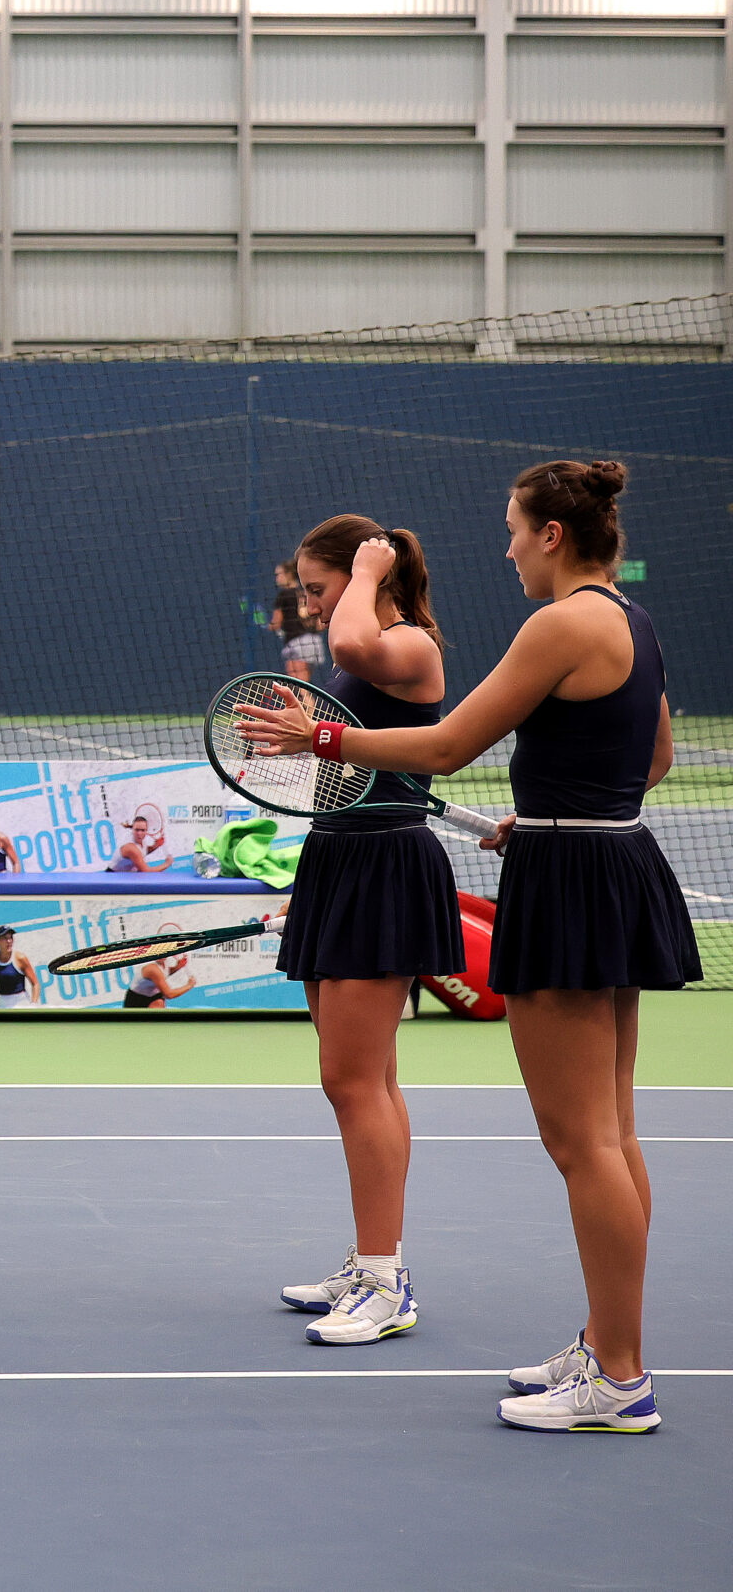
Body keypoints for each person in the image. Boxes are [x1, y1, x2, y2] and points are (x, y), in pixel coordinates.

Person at [239, 459, 700, 1433]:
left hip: (572, 884)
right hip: (608, 864)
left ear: (550, 536)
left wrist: (322, 743)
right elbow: (651, 758)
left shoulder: (562, 620)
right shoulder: (632, 619)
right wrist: (551, 813)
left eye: (510, 528)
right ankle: (607, 1348)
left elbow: (448, 746)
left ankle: (617, 1378)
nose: (502, 548)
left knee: (580, 1143)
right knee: (610, 1135)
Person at [261, 515, 465, 1349]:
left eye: (318, 587)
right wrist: (292, 735)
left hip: (385, 863)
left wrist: (369, 573)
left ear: (363, 577)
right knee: (367, 1077)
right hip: (339, 858)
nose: (309, 605)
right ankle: (373, 1259)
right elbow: (352, 757)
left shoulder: (407, 643)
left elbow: (349, 648)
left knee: (352, 1082)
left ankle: (385, 1279)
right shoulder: (365, 648)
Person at [122, 954, 195, 1009]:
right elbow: (169, 994)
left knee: (159, 1011)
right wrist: (189, 985)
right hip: (136, 1001)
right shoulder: (152, 968)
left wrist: (177, 967)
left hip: (155, 996)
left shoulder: (164, 961)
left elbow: (162, 973)